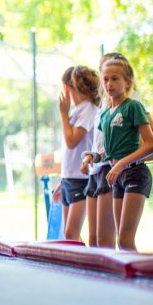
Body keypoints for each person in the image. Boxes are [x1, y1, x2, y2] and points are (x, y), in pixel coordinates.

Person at [103, 58, 153, 251]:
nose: (109, 84)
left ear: (127, 82)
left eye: (115, 79)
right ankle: (127, 280)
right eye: (106, 79)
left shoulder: (133, 106)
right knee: (121, 242)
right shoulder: (105, 114)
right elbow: (111, 148)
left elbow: (151, 144)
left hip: (134, 173)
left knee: (126, 239)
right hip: (117, 177)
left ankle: (144, 279)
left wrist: (120, 164)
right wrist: (94, 155)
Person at [57, 66, 99, 241]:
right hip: (69, 178)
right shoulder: (76, 111)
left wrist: (63, 115)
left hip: (81, 179)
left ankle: (87, 267)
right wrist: (62, 180)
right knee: (69, 236)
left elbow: (72, 141)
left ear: (68, 88)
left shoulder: (88, 109)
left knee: (71, 233)